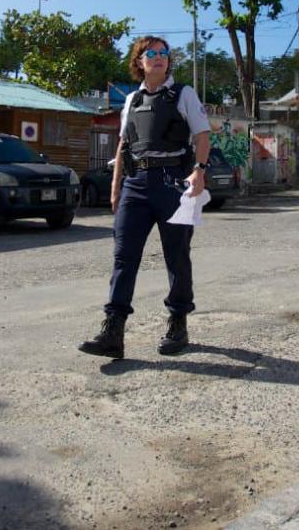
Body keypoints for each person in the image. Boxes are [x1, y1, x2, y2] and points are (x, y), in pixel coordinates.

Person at [78, 35, 211, 360]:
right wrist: (115, 186)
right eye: (151, 53)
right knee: (124, 257)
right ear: (139, 61)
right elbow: (124, 145)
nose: (159, 57)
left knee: (176, 257)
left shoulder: (183, 94)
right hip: (135, 186)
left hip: (172, 184)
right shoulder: (132, 100)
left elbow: (202, 134)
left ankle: (177, 323)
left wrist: (200, 169)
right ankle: (113, 331)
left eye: (164, 53)